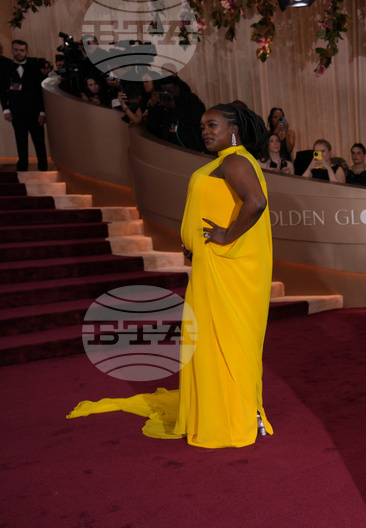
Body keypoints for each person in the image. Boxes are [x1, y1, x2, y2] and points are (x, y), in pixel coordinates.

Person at [68, 103, 275, 447]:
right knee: (219, 341)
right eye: (203, 125)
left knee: (226, 341)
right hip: (214, 264)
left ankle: (240, 416)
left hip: (224, 268)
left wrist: (224, 235)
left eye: (213, 125)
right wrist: (196, 241)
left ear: (234, 129)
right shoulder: (225, 162)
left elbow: (255, 202)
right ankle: (240, 411)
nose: (206, 131)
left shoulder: (235, 161)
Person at [0, 40, 48, 172]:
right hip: (17, 112)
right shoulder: (6, 68)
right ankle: (22, 170)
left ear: (26, 52)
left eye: (21, 50)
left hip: (34, 112)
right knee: (21, 142)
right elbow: (3, 91)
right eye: (16, 50)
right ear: (12, 51)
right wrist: (6, 109)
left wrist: (43, 112)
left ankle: (43, 168)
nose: (19, 53)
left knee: (39, 143)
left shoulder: (35, 68)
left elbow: (41, 92)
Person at [145, 75, 206, 152]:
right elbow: (153, 125)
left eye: (170, 91)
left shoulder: (190, 99)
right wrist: (152, 107)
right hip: (169, 148)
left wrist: (174, 108)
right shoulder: (161, 102)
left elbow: (197, 120)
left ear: (177, 87)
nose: (169, 95)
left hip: (191, 148)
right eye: (165, 92)